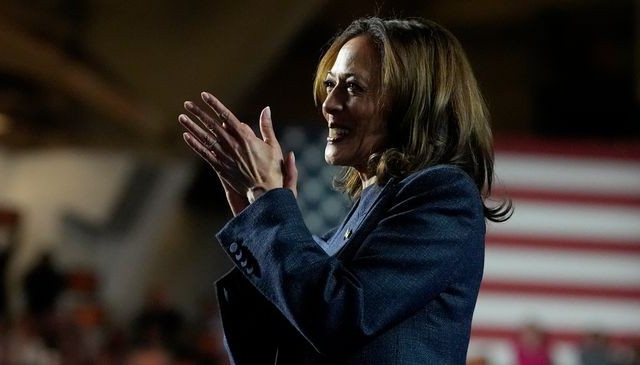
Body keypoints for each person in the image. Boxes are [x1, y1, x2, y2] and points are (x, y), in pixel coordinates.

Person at [178, 17, 510, 365]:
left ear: (413, 102)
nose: (329, 104)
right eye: (330, 84)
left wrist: (268, 208)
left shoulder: (443, 196)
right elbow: (271, 350)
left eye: (353, 88)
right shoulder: (353, 221)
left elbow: (338, 316)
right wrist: (256, 219)